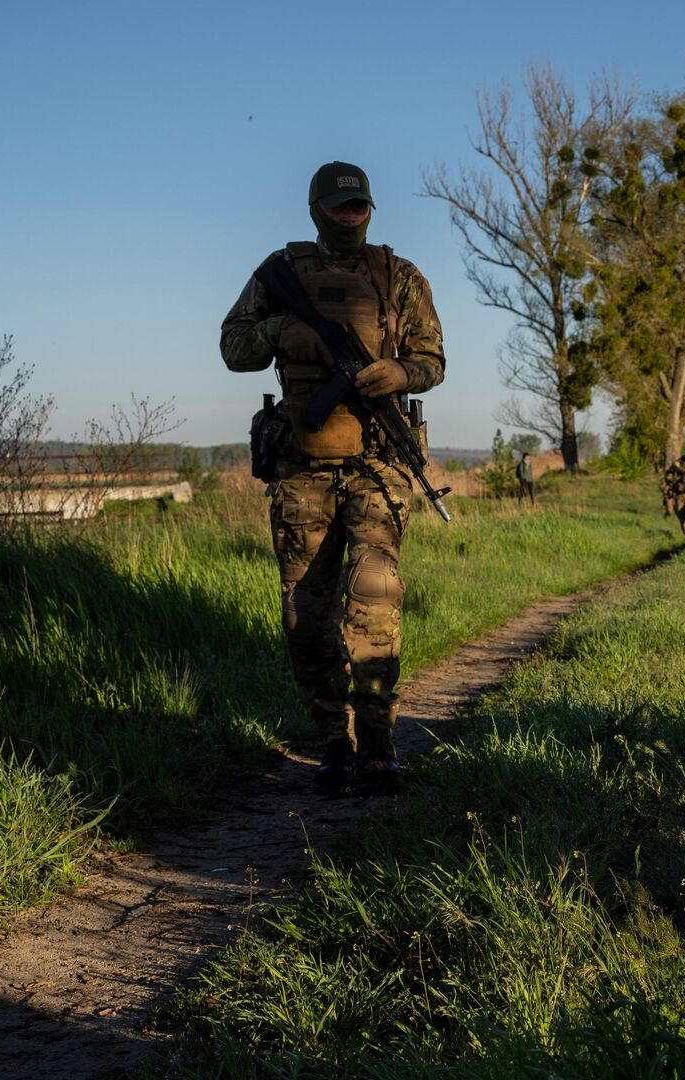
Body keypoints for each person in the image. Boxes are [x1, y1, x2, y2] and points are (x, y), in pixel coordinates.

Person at [219, 161, 446, 791]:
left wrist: (401, 375)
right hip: (301, 469)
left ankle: (377, 743)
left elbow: (432, 358)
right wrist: (282, 332)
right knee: (305, 614)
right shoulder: (281, 273)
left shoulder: (399, 276)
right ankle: (332, 741)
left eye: (361, 206)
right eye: (341, 206)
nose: (352, 215)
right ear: (318, 209)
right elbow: (233, 348)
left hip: (377, 464)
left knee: (374, 597)